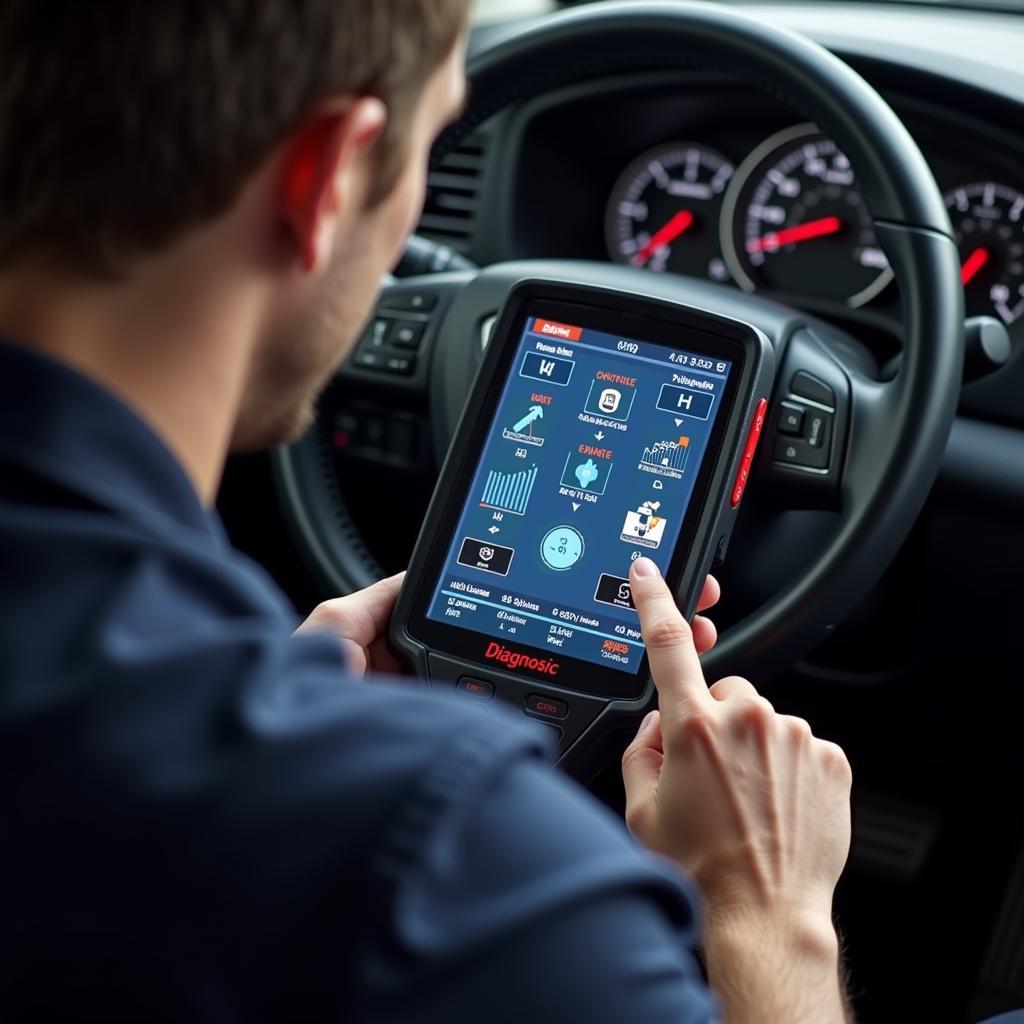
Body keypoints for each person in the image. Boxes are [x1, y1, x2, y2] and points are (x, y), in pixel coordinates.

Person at [0, 2, 855, 1021]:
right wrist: (765, 910)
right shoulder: (454, 858)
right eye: (433, 146)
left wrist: (289, 690)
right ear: (324, 177)